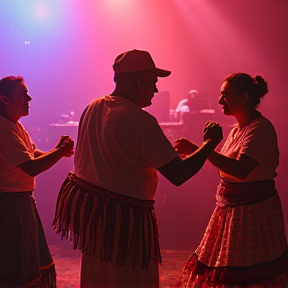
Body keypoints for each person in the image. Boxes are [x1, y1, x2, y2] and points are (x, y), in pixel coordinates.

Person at [52, 49, 223, 288]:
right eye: (153, 82)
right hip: (127, 224)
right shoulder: (142, 122)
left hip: (96, 221)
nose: (155, 90)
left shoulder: (91, 107)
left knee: (98, 279)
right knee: (130, 279)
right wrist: (209, 143)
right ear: (140, 80)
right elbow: (178, 174)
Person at [174, 73, 288, 287]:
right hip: (231, 212)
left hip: (252, 214)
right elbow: (225, 169)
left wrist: (204, 147)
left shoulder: (260, 129)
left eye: (225, 94)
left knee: (247, 273)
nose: (219, 101)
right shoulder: (237, 130)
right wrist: (197, 152)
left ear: (244, 97)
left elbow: (240, 170)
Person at [0, 76, 74, 287]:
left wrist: (56, 150)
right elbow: (32, 167)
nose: (28, 98)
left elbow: (33, 155)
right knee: (15, 269)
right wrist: (59, 152)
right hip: (10, 207)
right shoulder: (4, 129)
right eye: (22, 94)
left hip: (21, 204)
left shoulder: (14, 126)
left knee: (23, 266)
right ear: (4, 99)